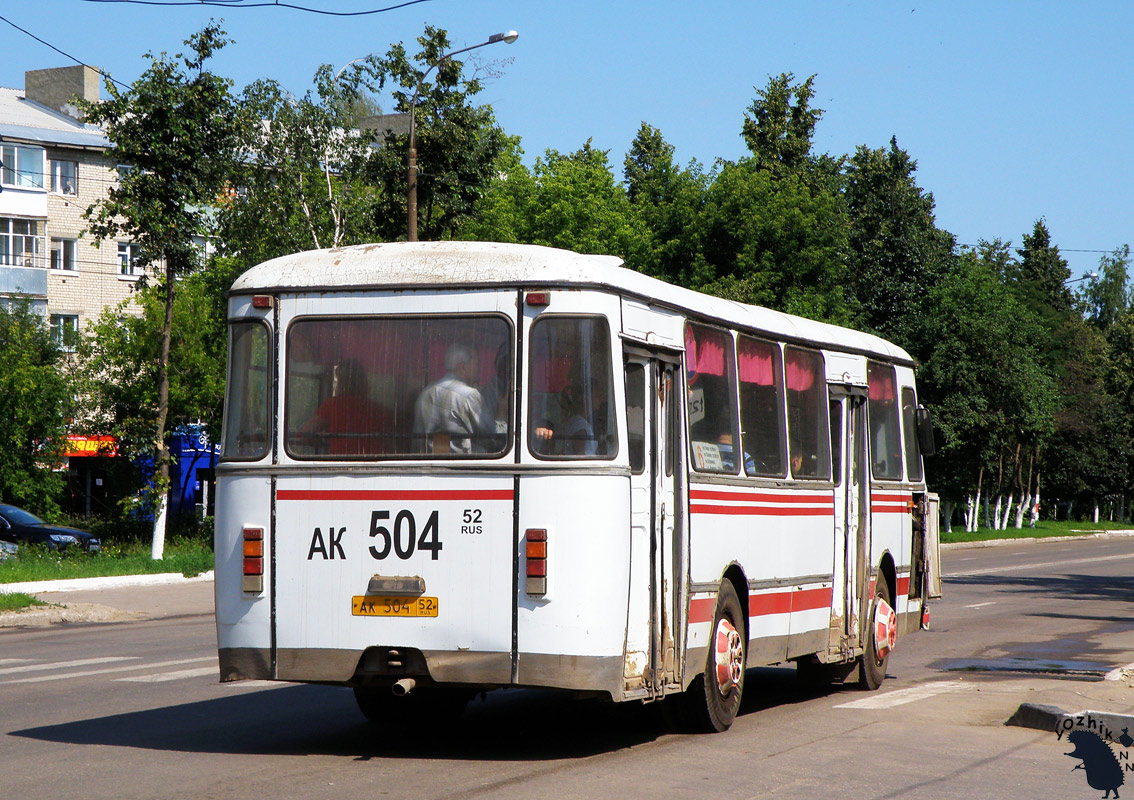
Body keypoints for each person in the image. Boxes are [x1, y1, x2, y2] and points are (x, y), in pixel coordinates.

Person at [299, 359, 390, 455]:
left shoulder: (332, 406)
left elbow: (304, 435)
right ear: (364, 382)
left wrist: (321, 443)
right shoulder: (377, 409)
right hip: (373, 464)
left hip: (340, 464)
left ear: (341, 383)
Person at [414, 344, 485, 454]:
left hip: (428, 466)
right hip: (462, 467)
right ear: (463, 367)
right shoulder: (469, 395)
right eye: (477, 363)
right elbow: (492, 438)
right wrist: (501, 415)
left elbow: (418, 438)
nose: (480, 368)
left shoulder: (426, 393)